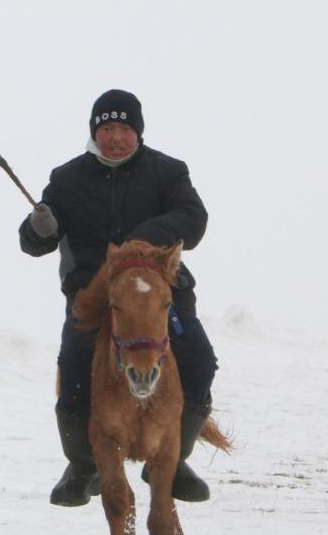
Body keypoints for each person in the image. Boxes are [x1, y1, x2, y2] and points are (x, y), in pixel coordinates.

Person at [19, 89, 218, 506]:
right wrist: (39, 227)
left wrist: (139, 243)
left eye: (124, 128)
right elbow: (34, 242)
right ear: (94, 132)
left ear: (138, 132)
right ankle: (82, 466)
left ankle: (174, 458)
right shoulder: (66, 179)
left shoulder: (168, 172)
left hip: (163, 293)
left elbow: (193, 220)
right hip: (94, 299)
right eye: (106, 128)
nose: (115, 137)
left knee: (199, 358)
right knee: (74, 368)